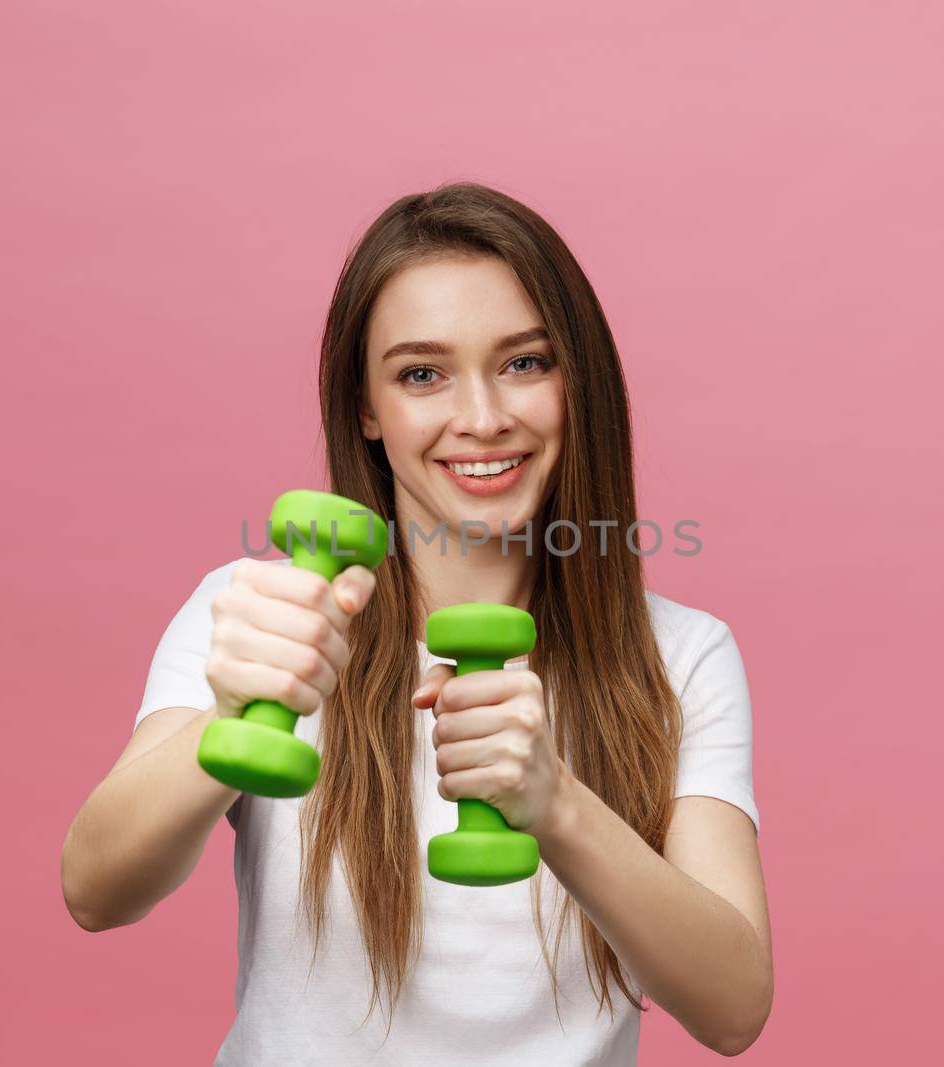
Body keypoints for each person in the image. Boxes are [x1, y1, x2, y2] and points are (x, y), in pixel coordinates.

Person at [60, 182, 773, 1063]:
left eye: (525, 362)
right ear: (367, 406)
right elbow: (96, 890)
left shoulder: (681, 656)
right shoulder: (260, 619)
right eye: (422, 374)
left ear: (576, 380)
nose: (481, 418)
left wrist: (557, 806)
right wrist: (233, 713)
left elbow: (735, 1005)